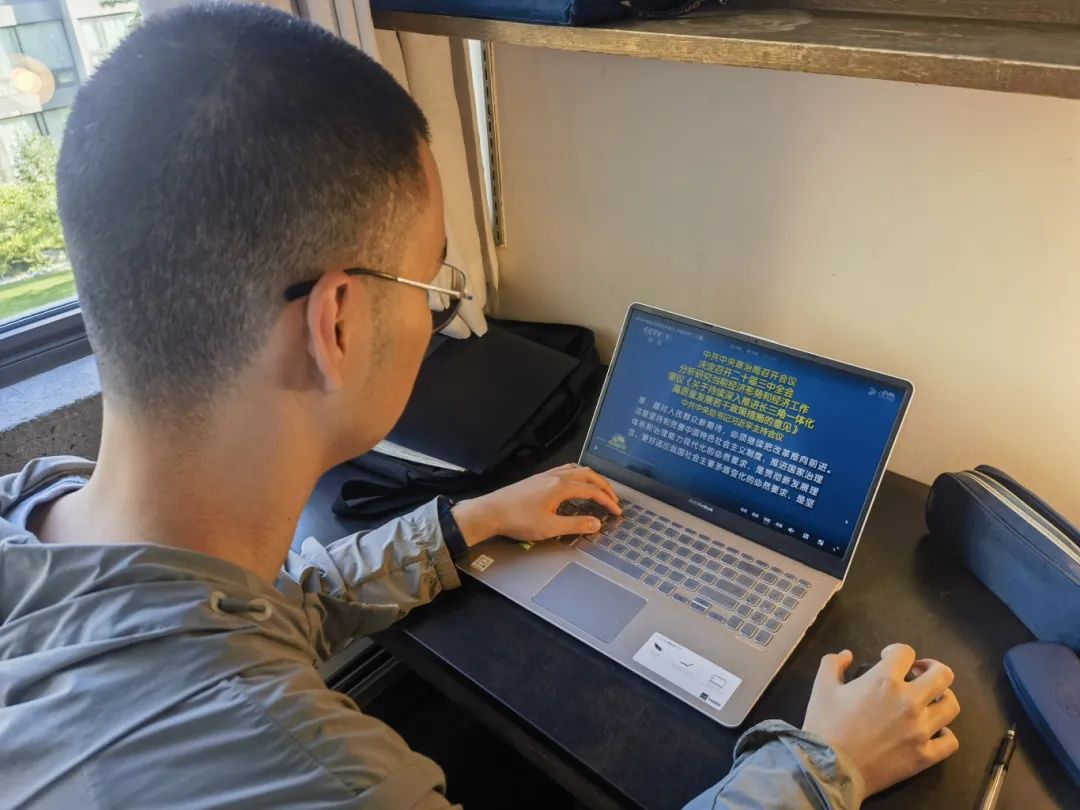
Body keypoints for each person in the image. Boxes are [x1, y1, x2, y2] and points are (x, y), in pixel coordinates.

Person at [0, 5, 960, 808]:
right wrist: (826, 767)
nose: (440, 312)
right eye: (431, 281)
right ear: (337, 323)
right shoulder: (324, 780)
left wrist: (465, 524)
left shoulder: (42, 517)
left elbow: (252, 614)